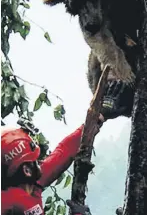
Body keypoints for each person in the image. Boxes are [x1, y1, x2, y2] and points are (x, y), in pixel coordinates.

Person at [1, 80, 127, 215]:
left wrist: (99, 117)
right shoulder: (16, 202)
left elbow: (63, 152)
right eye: (36, 161)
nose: (40, 163)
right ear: (26, 170)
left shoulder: (23, 184)